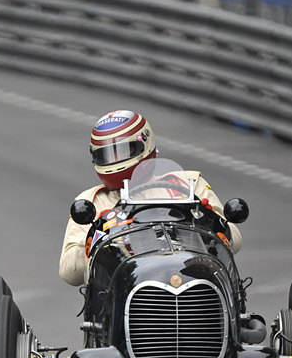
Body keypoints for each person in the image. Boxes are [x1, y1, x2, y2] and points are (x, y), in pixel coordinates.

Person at [59, 110, 243, 286]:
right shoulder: (90, 202)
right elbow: (69, 272)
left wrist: (206, 221)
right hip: (122, 289)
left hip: (191, 277)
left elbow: (233, 239)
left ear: (144, 145)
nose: (114, 160)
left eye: (122, 151)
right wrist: (98, 236)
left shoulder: (189, 184)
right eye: (106, 154)